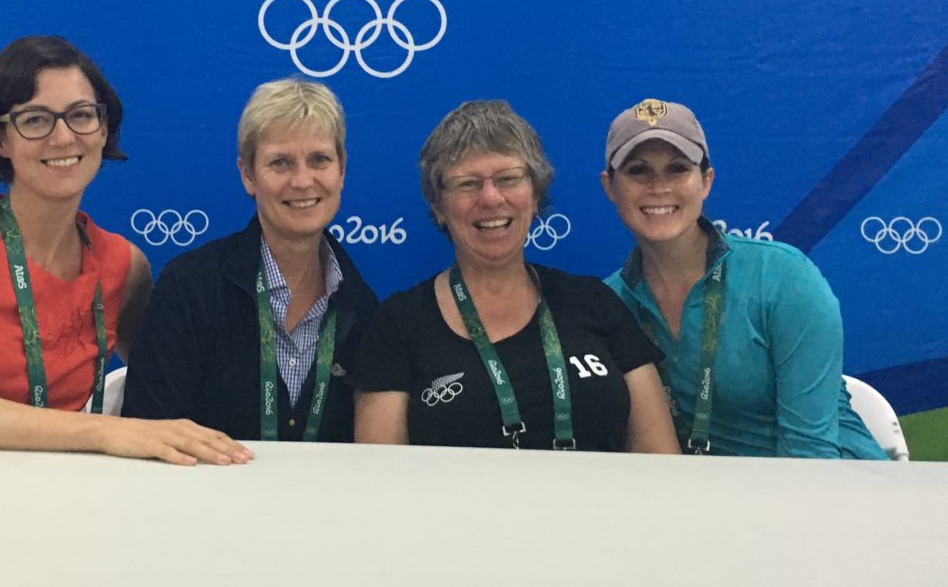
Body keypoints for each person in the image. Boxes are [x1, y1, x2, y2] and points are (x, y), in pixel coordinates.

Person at [0, 36, 251, 466]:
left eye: (81, 116)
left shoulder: (123, 266)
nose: (63, 137)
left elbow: (175, 379)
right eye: (36, 120)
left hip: (32, 493)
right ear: (1, 140)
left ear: (104, 128)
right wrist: (106, 432)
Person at [353, 101, 678, 452]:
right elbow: (381, 483)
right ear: (438, 207)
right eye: (467, 184)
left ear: (535, 195)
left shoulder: (595, 302)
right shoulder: (398, 325)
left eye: (508, 179)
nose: (491, 198)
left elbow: (662, 464)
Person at [600, 97, 886, 458]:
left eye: (677, 169)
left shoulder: (783, 277)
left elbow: (810, 451)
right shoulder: (609, 303)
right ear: (609, 186)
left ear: (706, 181)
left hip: (834, 486)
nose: (659, 187)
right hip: (712, 499)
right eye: (638, 171)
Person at [121, 77, 379, 442]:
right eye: (281, 163)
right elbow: (147, 432)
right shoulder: (190, 288)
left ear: (342, 169)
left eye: (319, 159)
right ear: (248, 174)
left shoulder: (363, 306)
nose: (303, 181)